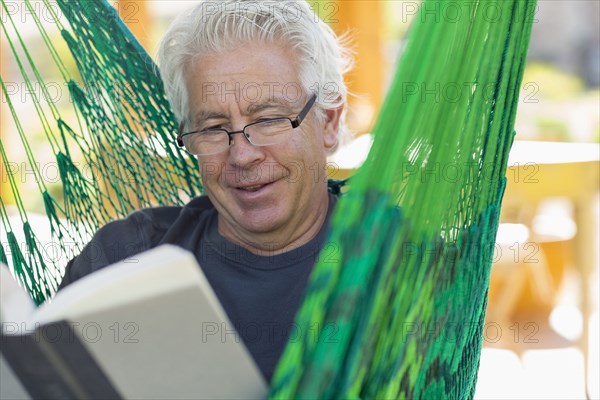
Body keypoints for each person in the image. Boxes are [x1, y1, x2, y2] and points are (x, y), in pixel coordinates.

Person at [58, 0, 352, 382]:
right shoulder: (122, 259)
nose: (242, 155)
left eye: (267, 120)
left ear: (328, 120)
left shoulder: (401, 266)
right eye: (213, 128)